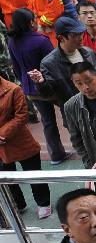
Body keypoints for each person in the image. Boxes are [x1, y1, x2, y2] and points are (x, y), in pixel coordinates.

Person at [8, 9, 69, 165]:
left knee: (48, 121)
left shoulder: (13, 41)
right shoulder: (41, 40)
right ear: (30, 22)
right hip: (49, 86)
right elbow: (53, 64)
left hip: (30, 88)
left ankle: (56, 154)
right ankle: (80, 144)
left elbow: (15, 67)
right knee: (68, 114)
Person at [33, 17, 96, 127]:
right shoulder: (49, 63)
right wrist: (41, 83)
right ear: (61, 38)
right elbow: (49, 94)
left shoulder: (88, 52)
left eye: (81, 33)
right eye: (74, 35)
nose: (80, 38)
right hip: (76, 117)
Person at [0, 76, 52, 219]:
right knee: (7, 178)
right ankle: (18, 204)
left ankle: (43, 203)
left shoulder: (13, 89)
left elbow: (21, 116)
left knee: (33, 174)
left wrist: (2, 134)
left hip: (20, 141)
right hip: (1, 148)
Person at [63, 62, 96, 167]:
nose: (86, 87)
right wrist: (88, 161)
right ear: (74, 84)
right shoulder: (71, 106)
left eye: (89, 81)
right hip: (95, 158)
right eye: (79, 83)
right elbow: (76, 138)